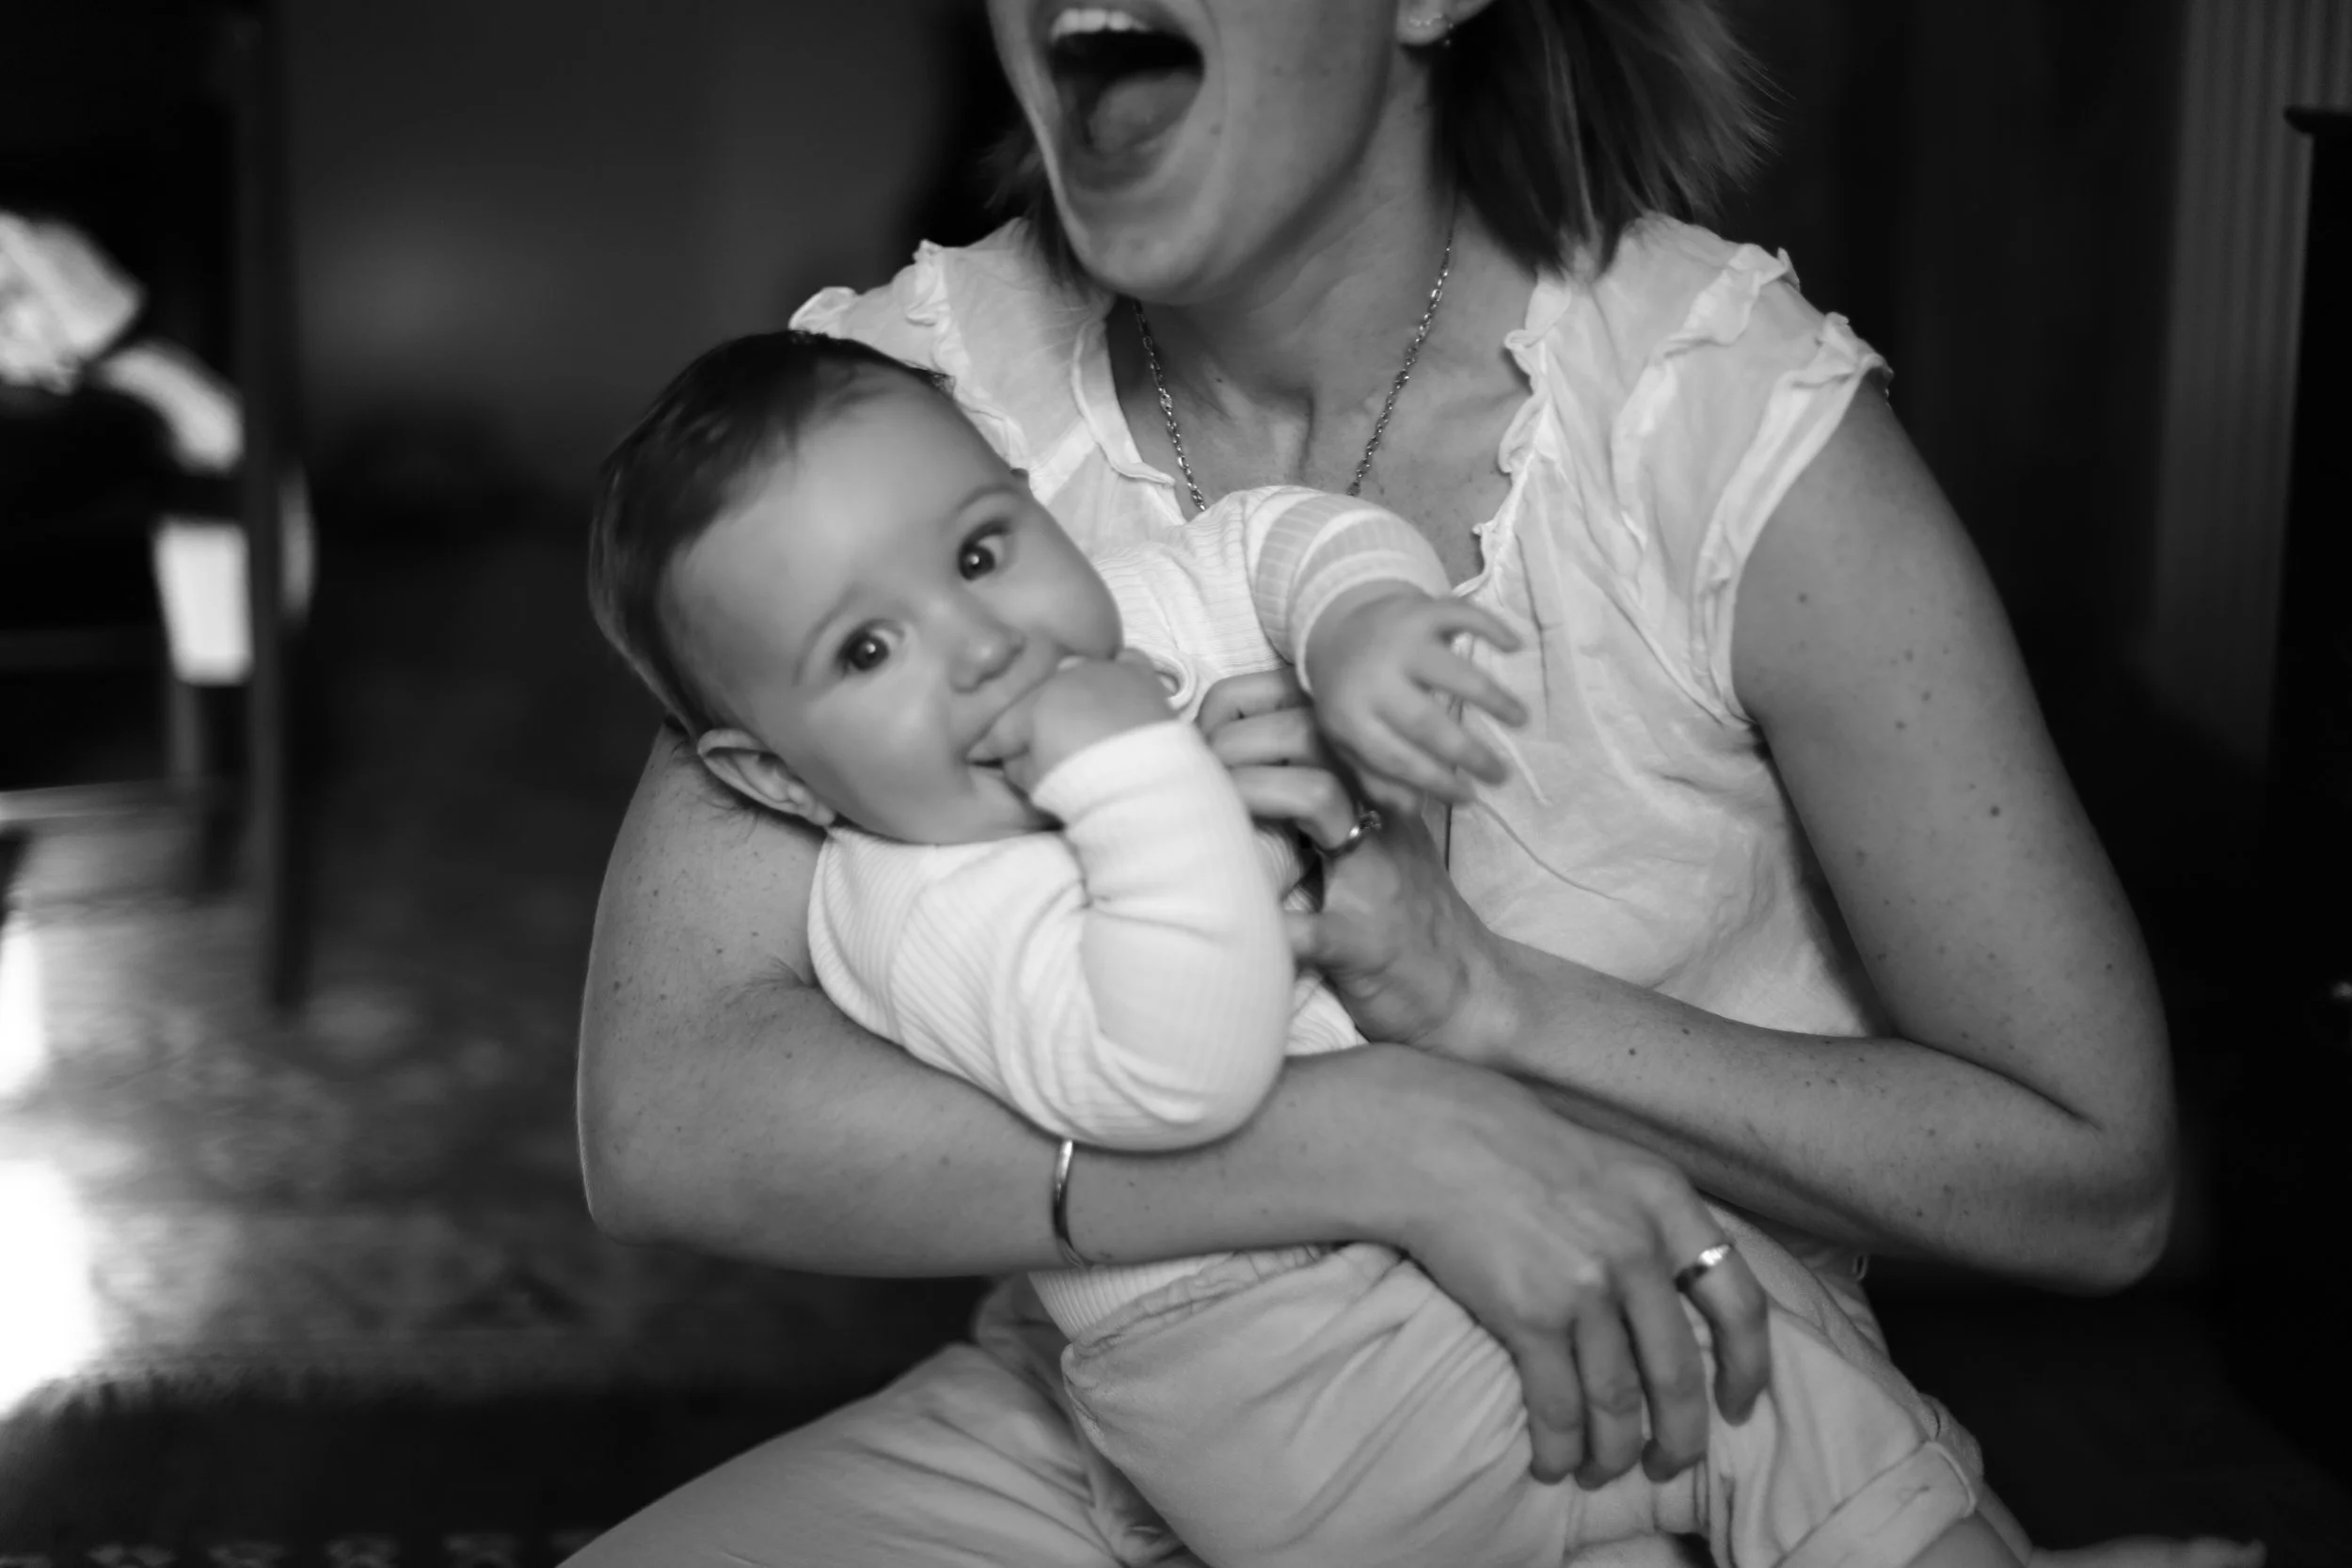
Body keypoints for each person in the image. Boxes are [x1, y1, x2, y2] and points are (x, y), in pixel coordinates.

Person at [572, 1, 2249, 1563]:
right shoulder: (885, 419)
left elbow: (2099, 1182)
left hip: (1617, 1384)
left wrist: (1483, 1004)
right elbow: (671, 1112)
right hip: (1130, 1393)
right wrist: (1375, 1138)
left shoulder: (1715, 416)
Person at [584, 323, 2027, 1568]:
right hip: (1261, 1367)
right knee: (1740, 1371)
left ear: (1032, 509)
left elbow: (1272, 539)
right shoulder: (913, 903)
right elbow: (1182, 1075)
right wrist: (1145, 780)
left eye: (979, 550)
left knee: (1644, 1449)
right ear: (773, 778)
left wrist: (1358, 623)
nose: (975, 643)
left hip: (1375, 1290)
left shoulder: (1110, 612)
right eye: (865, 652)